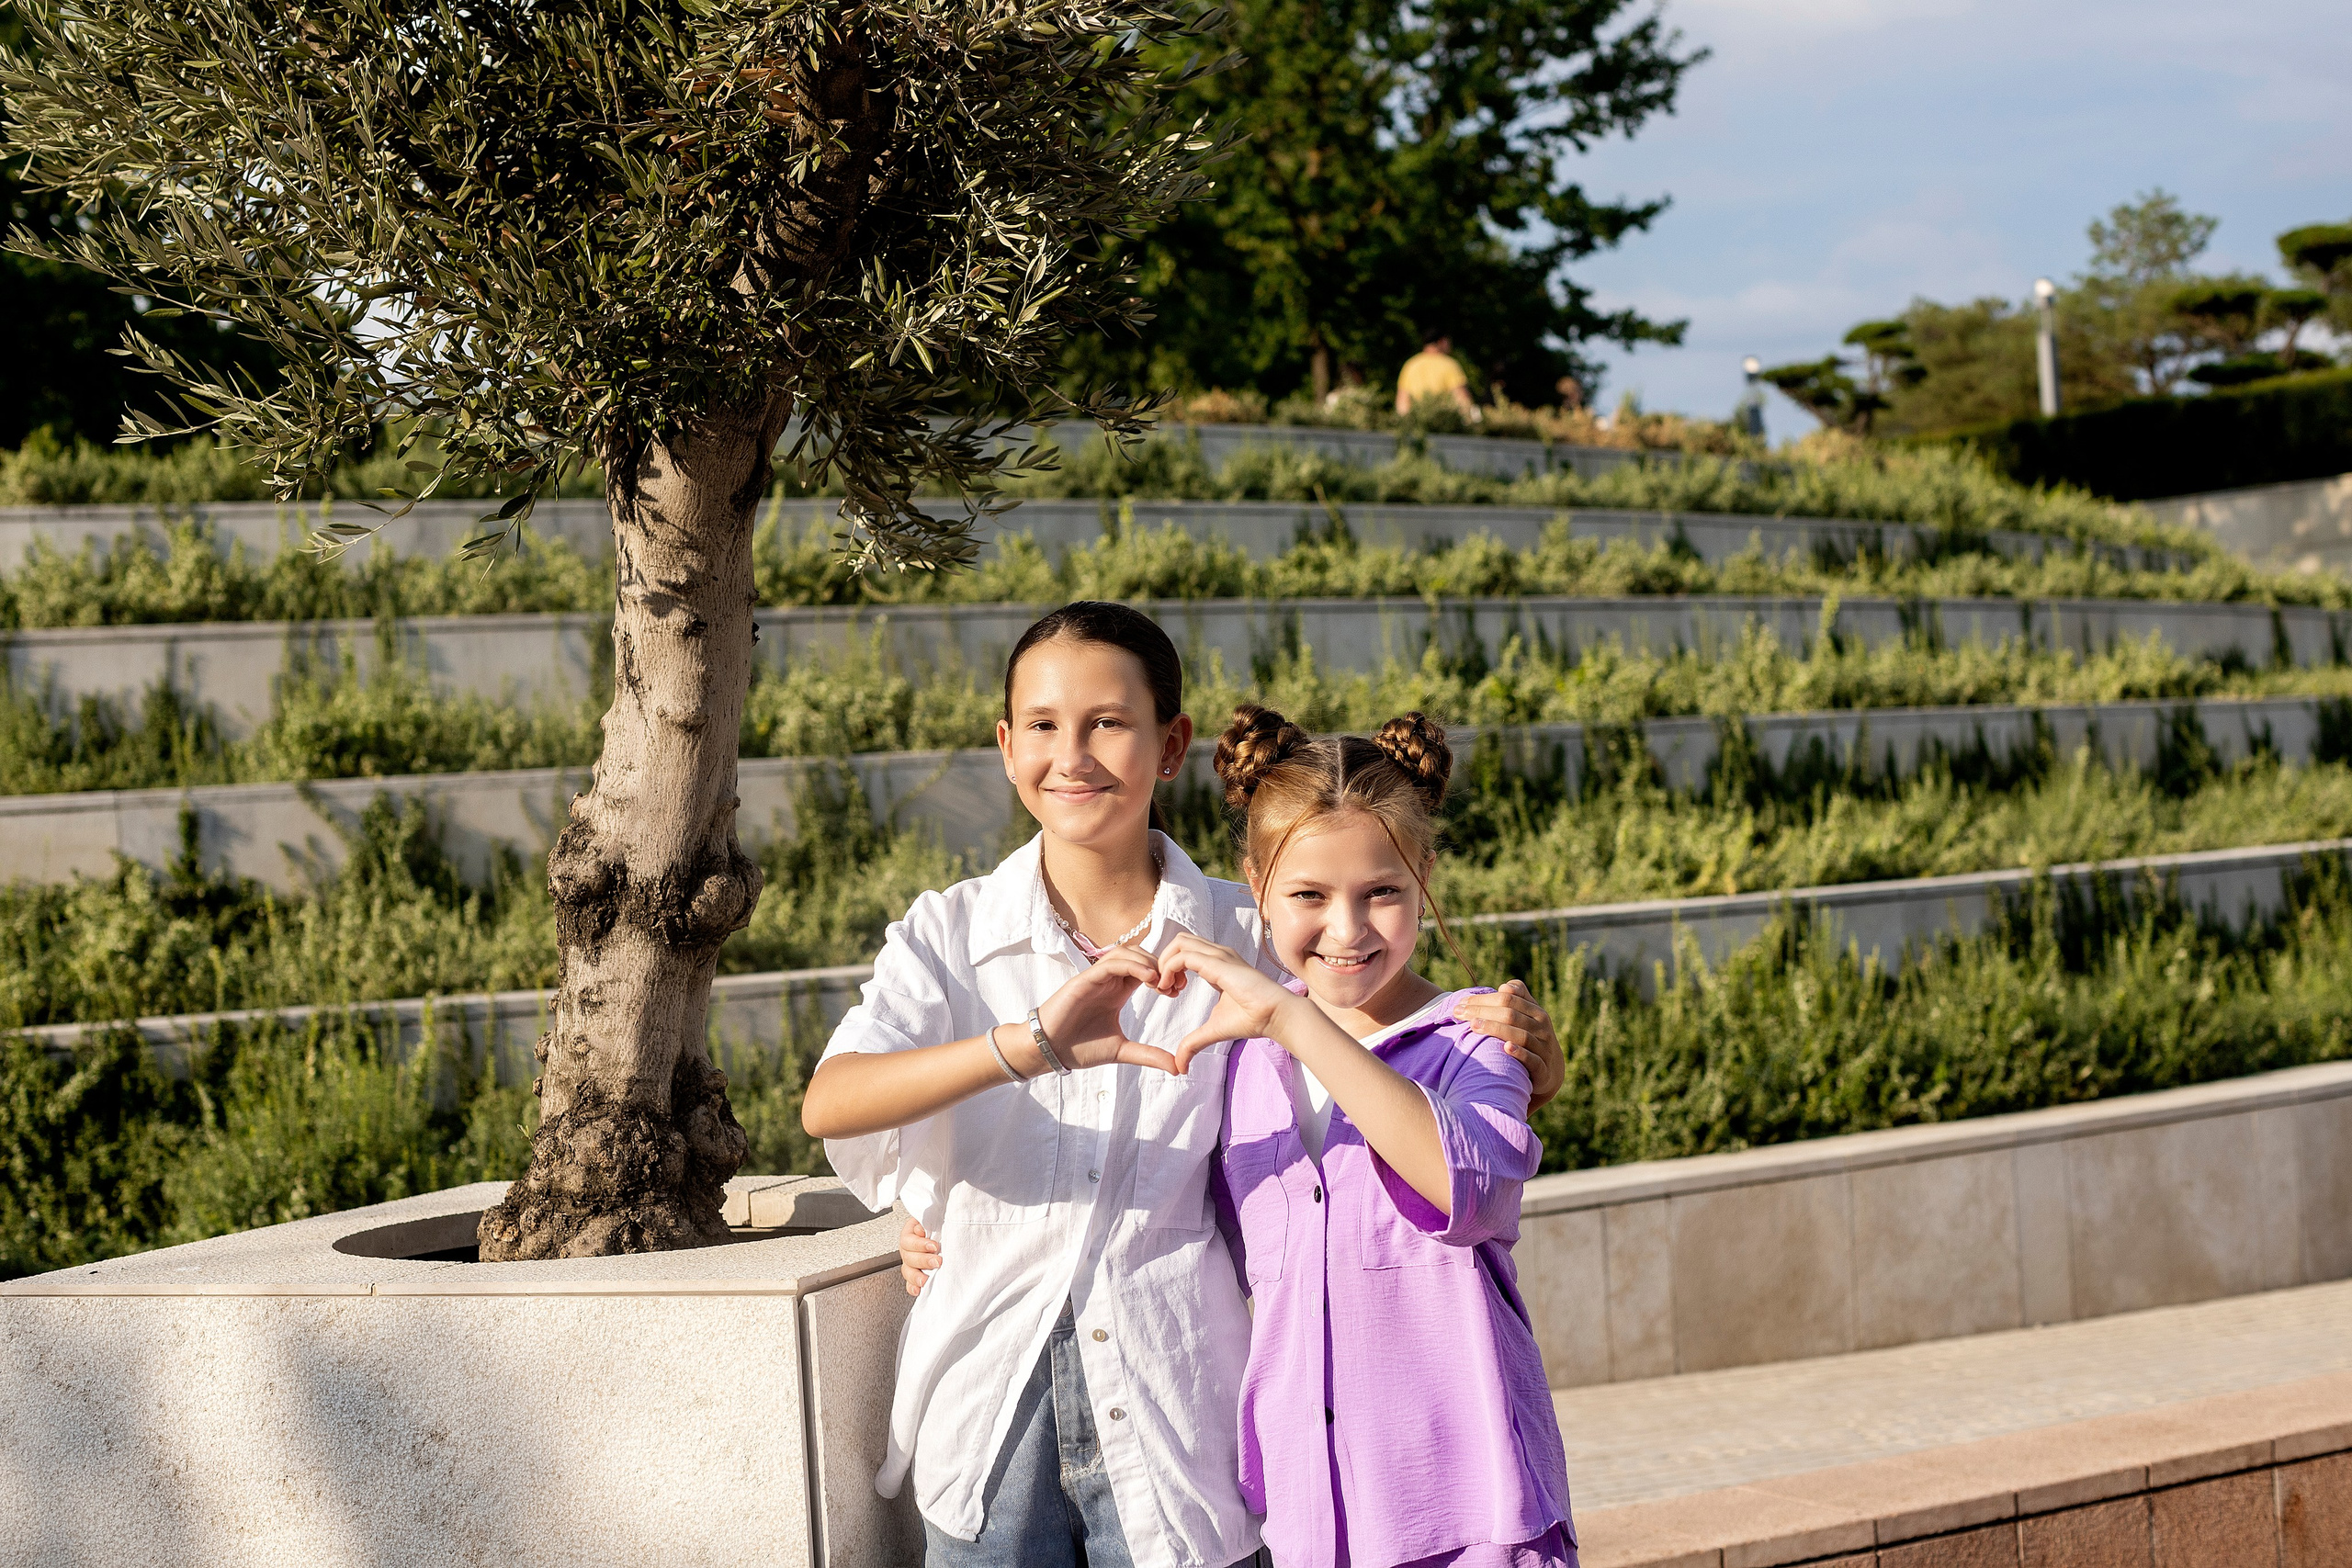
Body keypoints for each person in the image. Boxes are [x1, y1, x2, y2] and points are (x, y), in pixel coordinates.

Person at [799, 602, 1566, 1568]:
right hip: (987, 1422)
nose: (1071, 755)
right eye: (1041, 725)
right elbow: (832, 1099)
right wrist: (1028, 1046)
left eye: (1107, 723)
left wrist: (1535, 1056)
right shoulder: (947, 934)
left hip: (1177, 1426)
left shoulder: (1249, 946)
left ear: (1171, 745)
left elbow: (1384, 1023)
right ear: (1003, 745)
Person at [1394, 334, 1481, 423]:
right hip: (1442, 423)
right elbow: (1461, 398)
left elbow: (1402, 399)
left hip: (1416, 423)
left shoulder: (1411, 364)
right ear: (1441, 341)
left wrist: (1404, 423)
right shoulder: (1449, 365)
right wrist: (1471, 422)